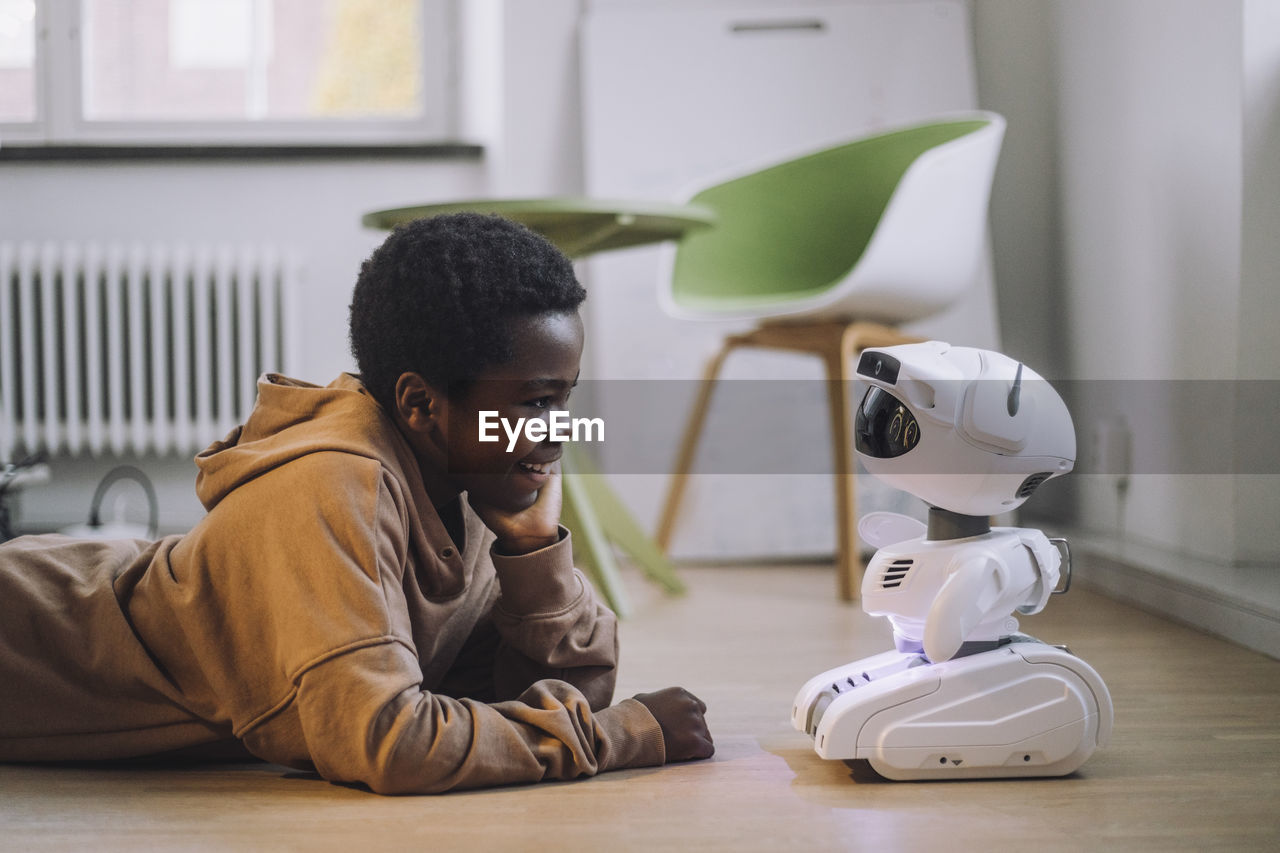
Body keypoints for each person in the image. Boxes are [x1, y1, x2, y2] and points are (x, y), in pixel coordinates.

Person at [0, 213, 714, 794]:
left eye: (567, 398)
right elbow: (391, 743)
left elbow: (554, 694)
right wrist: (628, 737)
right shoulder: (336, 485)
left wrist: (533, 550)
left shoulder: (468, 489)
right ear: (420, 403)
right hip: (35, 630)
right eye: (536, 402)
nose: (560, 432)